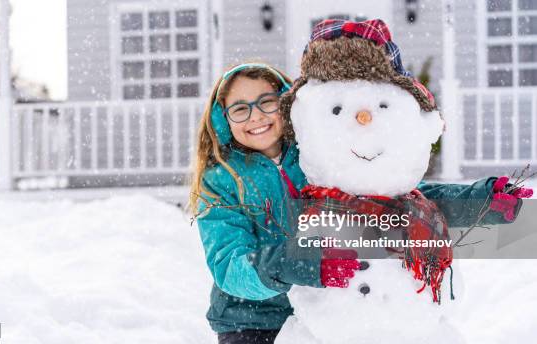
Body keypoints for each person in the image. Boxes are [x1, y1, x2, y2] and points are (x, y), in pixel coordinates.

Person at [188, 62, 530, 344]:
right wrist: (298, 264)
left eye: (266, 102)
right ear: (223, 118)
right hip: (250, 322)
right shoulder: (221, 181)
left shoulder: (316, 156)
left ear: (287, 104)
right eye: (239, 108)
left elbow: (400, 199)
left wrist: (482, 201)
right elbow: (229, 267)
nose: (255, 116)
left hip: (322, 315)